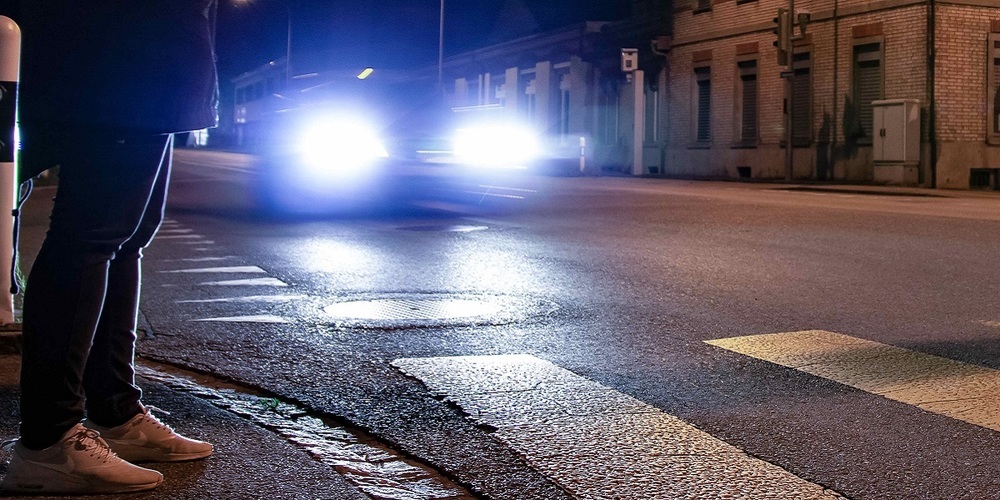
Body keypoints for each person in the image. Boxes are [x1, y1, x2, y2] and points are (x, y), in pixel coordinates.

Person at [0, 1, 220, 494]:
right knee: (91, 238)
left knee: (126, 240)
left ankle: (114, 409)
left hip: (151, 58)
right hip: (117, 54)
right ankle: (48, 439)